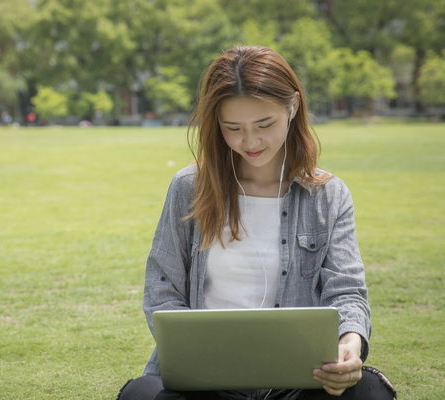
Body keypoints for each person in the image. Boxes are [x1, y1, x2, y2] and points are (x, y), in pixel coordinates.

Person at [117, 46, 397, 400]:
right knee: (141, 395)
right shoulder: (188, 188)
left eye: (264, 124)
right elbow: (162, 290)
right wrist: (191, 353)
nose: (249, 142)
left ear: (292, 106)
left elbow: (346, 291)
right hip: (205, 384)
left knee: (370, 391)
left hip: (299, 383)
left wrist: (350, 343)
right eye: (232, 128)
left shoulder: (329, 195)